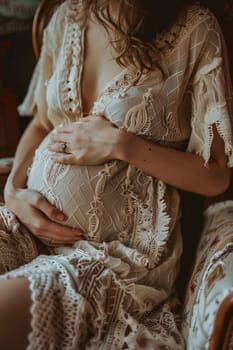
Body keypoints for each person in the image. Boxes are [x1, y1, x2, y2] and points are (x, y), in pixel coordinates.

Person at [0, 0, 233, 349]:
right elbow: (43, 121)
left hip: (113, 257)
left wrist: (123, 145)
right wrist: (13, 191)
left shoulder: (196, 29)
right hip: (26, 228)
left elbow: (215, 176)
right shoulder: (68, 15)